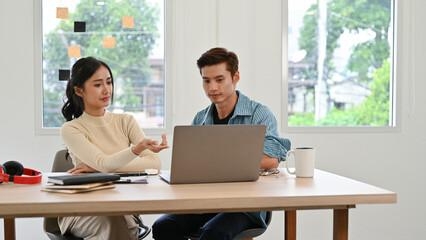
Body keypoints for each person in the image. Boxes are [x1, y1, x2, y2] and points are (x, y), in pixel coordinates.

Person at [152, 47, 291, 240]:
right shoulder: (200, 119)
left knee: (214, 232)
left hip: (245, 207)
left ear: (235, 77)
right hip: (204, 203)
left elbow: (270, 161)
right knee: (163, 226)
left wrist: (215, 163)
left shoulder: (259, 114)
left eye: (219, 80)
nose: (212, 88)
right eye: (206, 81)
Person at [59, 56, 169, 240]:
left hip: (122, 206)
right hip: (82, 210)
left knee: (117, 220)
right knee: (111, 222)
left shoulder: (125, 121)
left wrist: (96, 169)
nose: (106, 90)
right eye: (97, 85)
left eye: (109, 82)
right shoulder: (71, 129)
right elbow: (105, 163)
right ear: (79, 90)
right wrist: (134, 151)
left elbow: (154, 163)